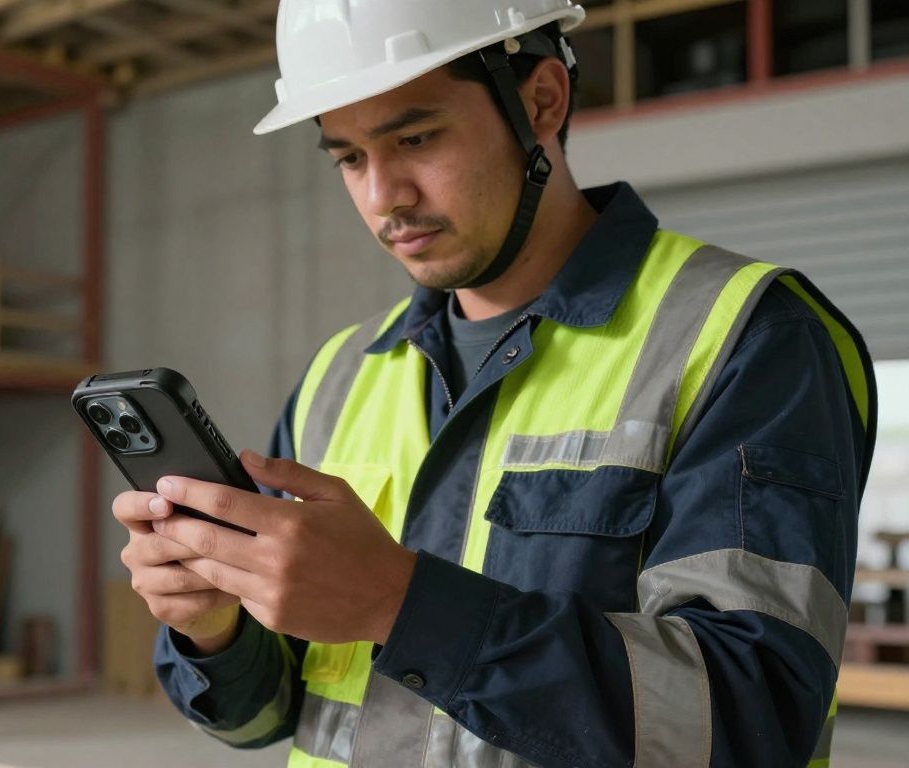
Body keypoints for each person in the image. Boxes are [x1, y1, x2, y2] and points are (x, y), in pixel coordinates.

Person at [110, 1, 877, 765]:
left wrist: (399, 605)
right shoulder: (342, 374)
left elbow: (754, 725)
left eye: (414, 137)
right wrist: (214, 629)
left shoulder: (748, 340)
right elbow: (260, 721)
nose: (384, 197)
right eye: (348, 157)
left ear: (542, 100)